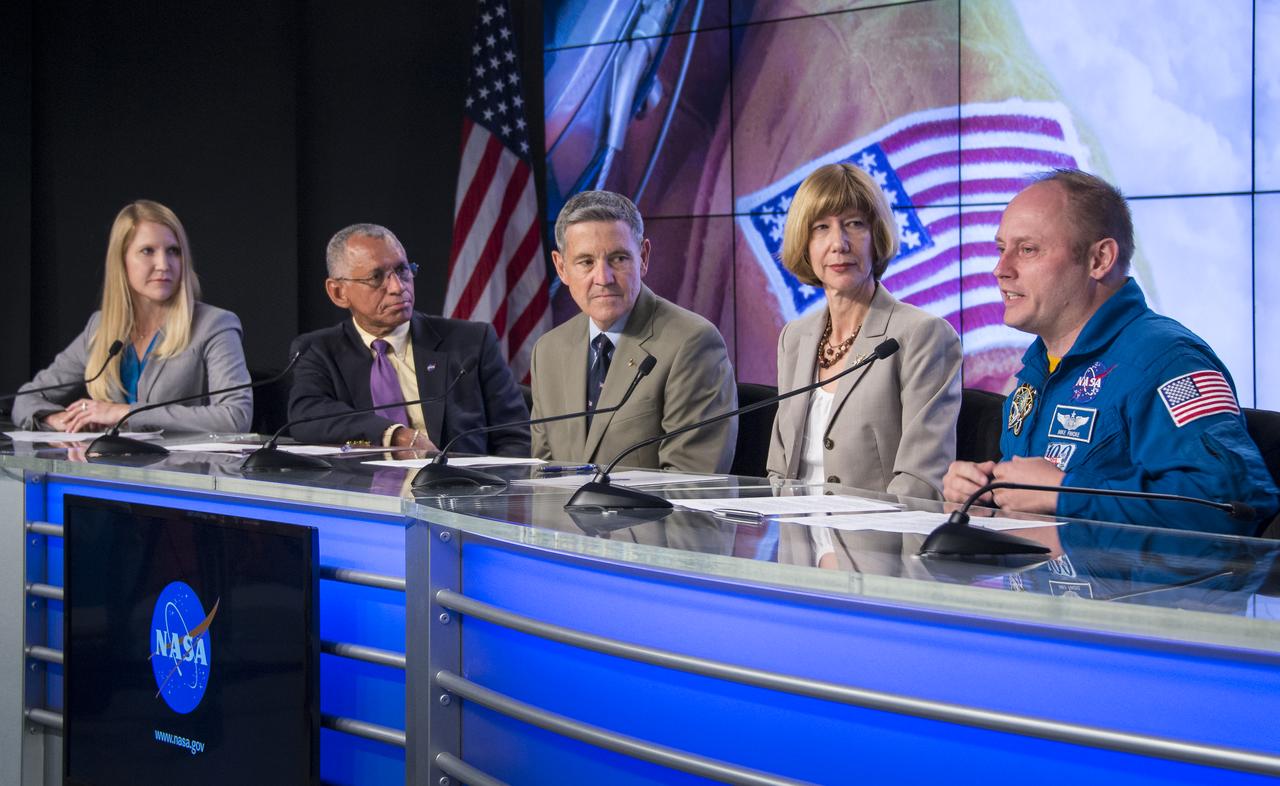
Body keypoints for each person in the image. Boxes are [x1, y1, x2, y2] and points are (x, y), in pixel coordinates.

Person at [942, 169, 1278, 535]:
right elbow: (1035, 508)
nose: (1000, 270)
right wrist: (985, 494)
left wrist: (1066, 494)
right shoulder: (1038, 370)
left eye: (1027, 250)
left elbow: (1234, 506)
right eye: (1001, 249)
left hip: (1146, 593)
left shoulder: (1169, 361)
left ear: (1099, 259)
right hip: (1040, 586)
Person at [766, 163, 962, 569]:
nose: (838, 243)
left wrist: (867, 568)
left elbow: (920, 481)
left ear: (877, 237)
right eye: (820, 227)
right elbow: (778, 469)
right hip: (797, 559)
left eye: (854, 224)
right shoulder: (794, 338)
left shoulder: (922, 335)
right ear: (804, 243)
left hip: (881, 564)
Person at [529, 191, 737, 472]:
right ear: (562, 268)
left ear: (643, 257)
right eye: (586, 262)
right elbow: (542, 475)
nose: (603, 278)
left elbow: (690, 485)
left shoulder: (692, 342)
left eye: (618, 259)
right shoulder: (548, 350)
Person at [287, 223, 529, 455]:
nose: (397, 287)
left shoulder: (471, 342)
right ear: (338, 292)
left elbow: (515, 437)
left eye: (403, 270)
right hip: (365, 492)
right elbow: (307, 415)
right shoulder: (318, 351)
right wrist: (393, 435)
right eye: (376, 277)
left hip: (460, 491)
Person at [12, 200, 251, 433]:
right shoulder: (100, 327)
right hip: (107, 468)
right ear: (121, 260)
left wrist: (123, 413)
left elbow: (235, 416)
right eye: (148, 251)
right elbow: (25, 399)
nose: (163, 264)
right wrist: (57, 419)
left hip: (182, 470)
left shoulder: (214, 325)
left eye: (173, 252)